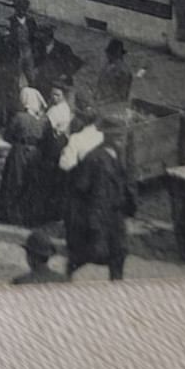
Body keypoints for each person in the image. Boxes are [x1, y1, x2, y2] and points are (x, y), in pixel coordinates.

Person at [63, 110, 135, 281]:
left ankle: (116, 288)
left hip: (115, 218)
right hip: (96, 217)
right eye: (118, 137)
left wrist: (129, 209)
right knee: (90, 253)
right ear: (107, 137)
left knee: (118, 255)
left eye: (122, 137)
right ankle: (68, 277)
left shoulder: (120, 158)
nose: (122, 141)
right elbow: (80, 189)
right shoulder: (93, 158)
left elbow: (128, 186)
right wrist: (86, 220)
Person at [0, 87, 57, 226]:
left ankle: (8, 212)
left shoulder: (19, 117)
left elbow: (7, 136)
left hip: (19, 151)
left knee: (14, 180)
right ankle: (28, 214)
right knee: (31, 183)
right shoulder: (44, 120)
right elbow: (49, 141)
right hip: (36, 153)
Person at [0, 0, 37, 126]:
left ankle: (32, 102)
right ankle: (6, 116)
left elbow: (34, 37)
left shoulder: (30, 21)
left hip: (26, 52)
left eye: (24, 9)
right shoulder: (10, 23)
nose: (22, 11)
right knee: (11, 88)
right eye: (19, 9)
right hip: (13, 60)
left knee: (30, 79)